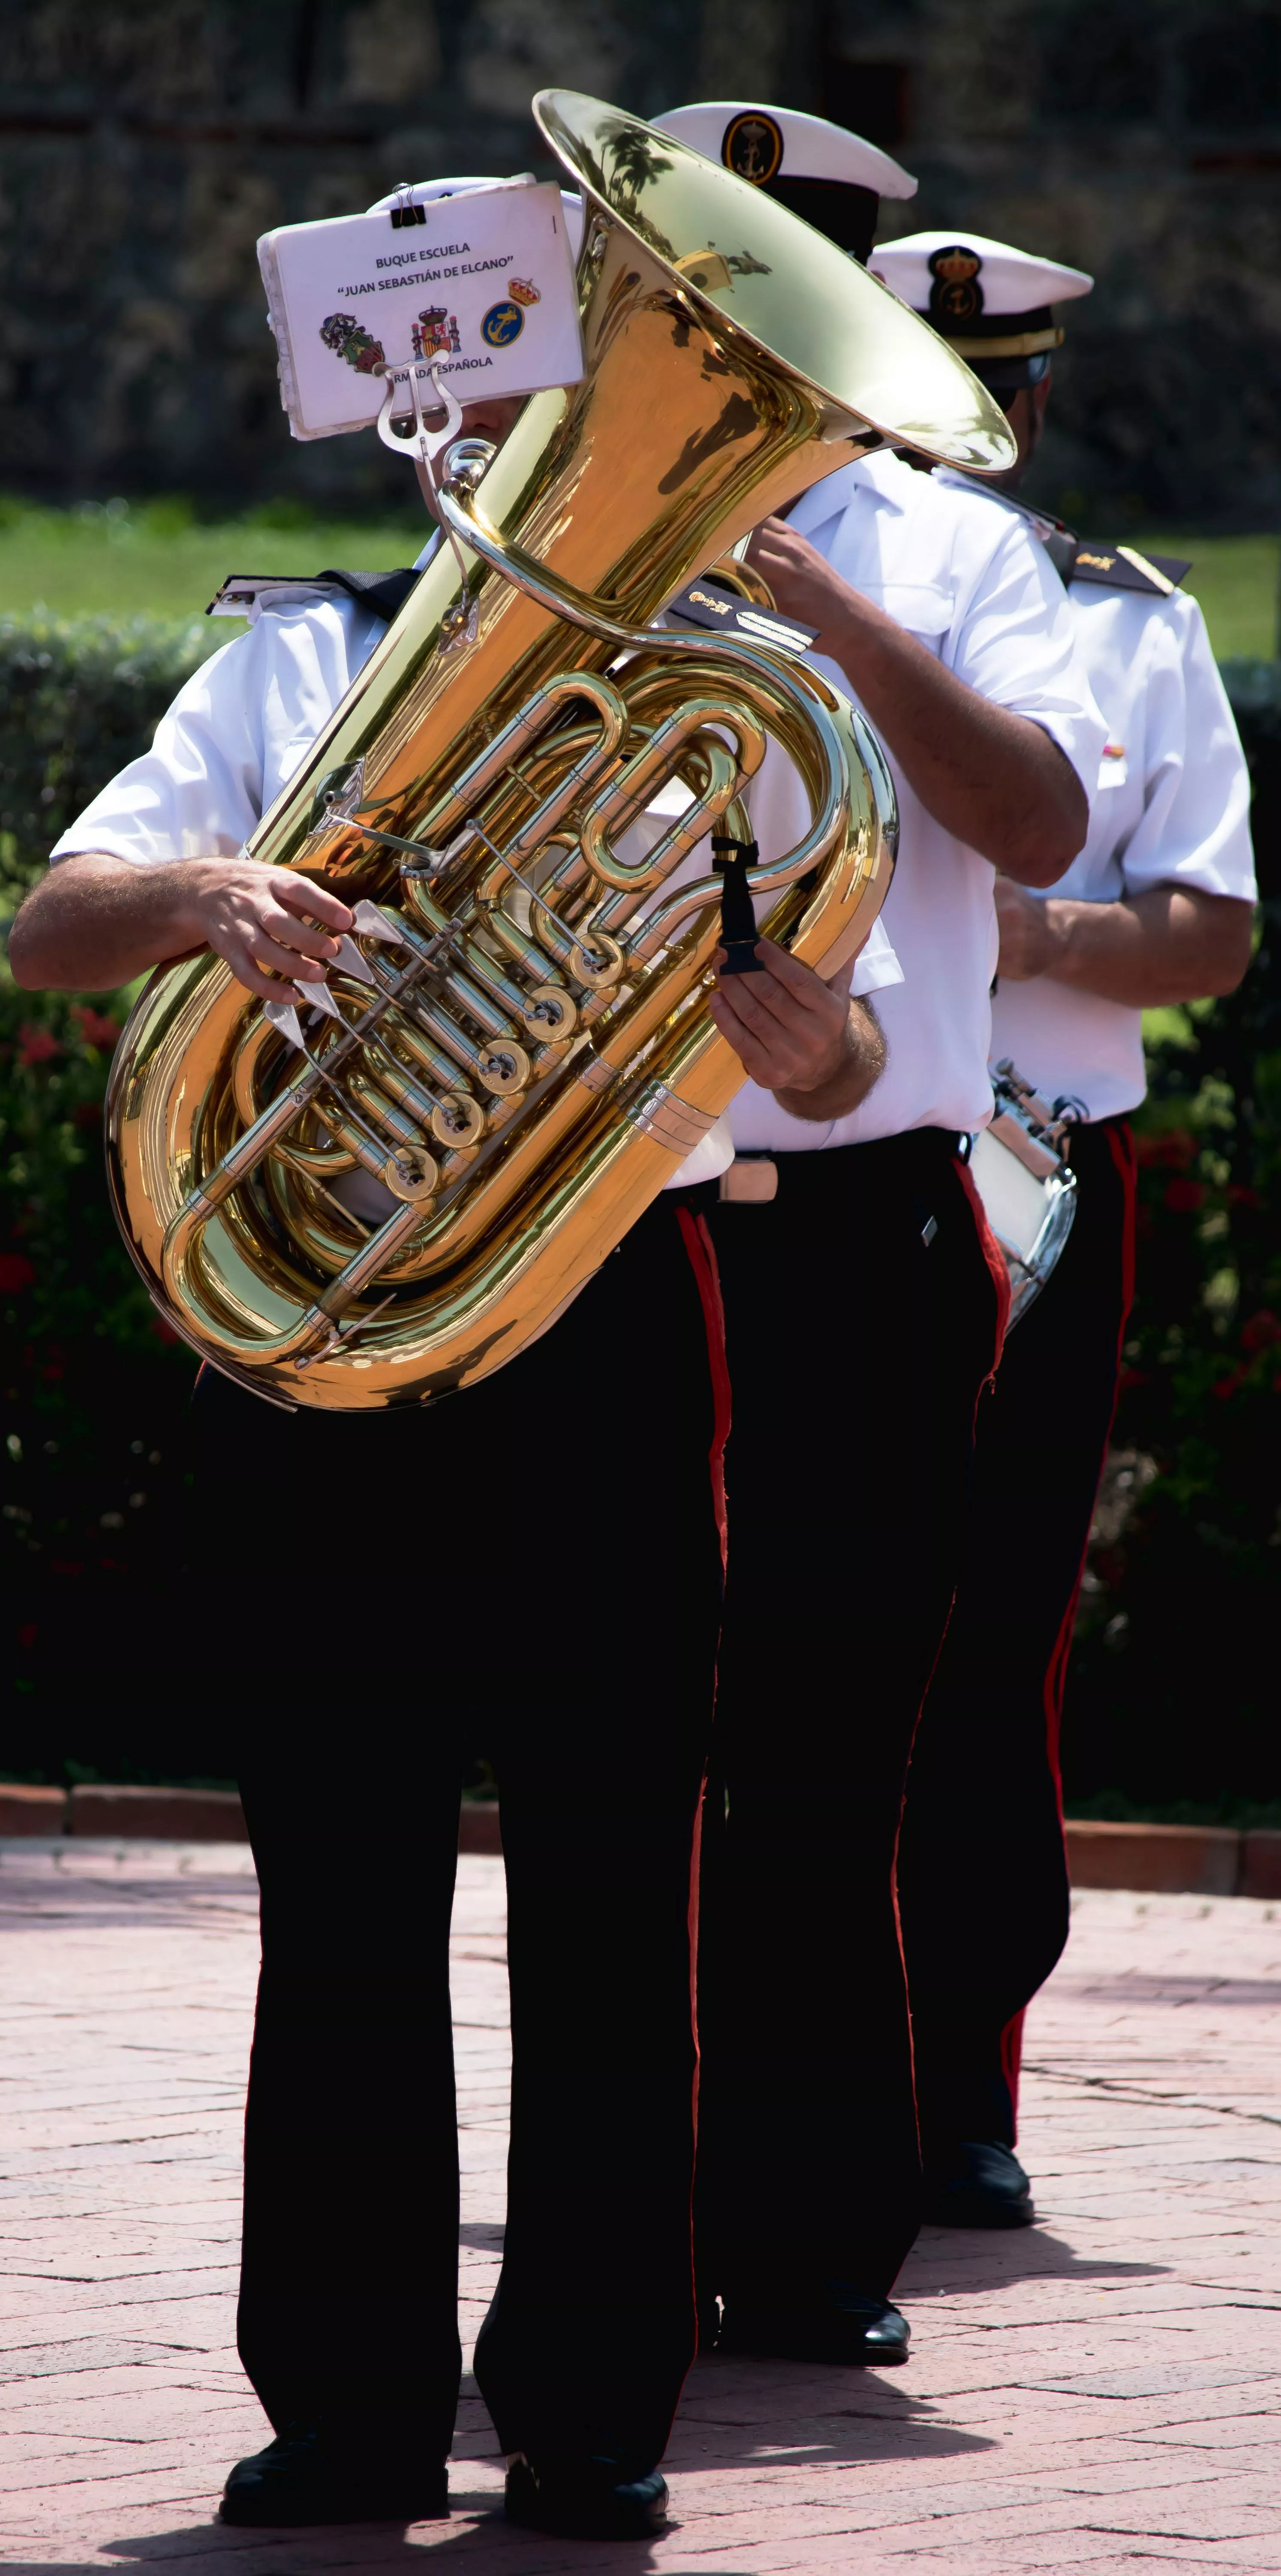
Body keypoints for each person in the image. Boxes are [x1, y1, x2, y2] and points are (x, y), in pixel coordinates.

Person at [9, 172, 897, 2538]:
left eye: (548, 399)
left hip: (600, 1331)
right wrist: (210, 896)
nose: (505, 439)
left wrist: (808, 1047)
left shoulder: (742, 701)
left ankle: (595, 2415)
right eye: (482, 404)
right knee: (343, 1891)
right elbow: (53, 923)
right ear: (424, 433)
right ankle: (348, 2405)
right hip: (330, 1357)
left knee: (614, 1891)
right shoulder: (291, 662)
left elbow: (840, 1049)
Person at [652, 103, 1109, 2366]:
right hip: (604, 1223)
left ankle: (811, 2237)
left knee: (831, 1744)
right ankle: (611, 2239)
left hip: (857, 1236)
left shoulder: (961, 551)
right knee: (615, 1754)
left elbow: (1033, 819)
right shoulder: (554, 526)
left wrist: (819, 602)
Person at [867, 229, 1256, 2226]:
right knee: (758, 1632)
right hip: (815, 1170)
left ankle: (956, 2083)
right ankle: (743, 2077)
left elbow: (1207, 924)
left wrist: (1037, 936)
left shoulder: (1122, 620)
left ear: (1029, 408)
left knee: (992, 1629)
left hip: (1037, 1173)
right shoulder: (778, 590)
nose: (963, 427)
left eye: (990, 393)